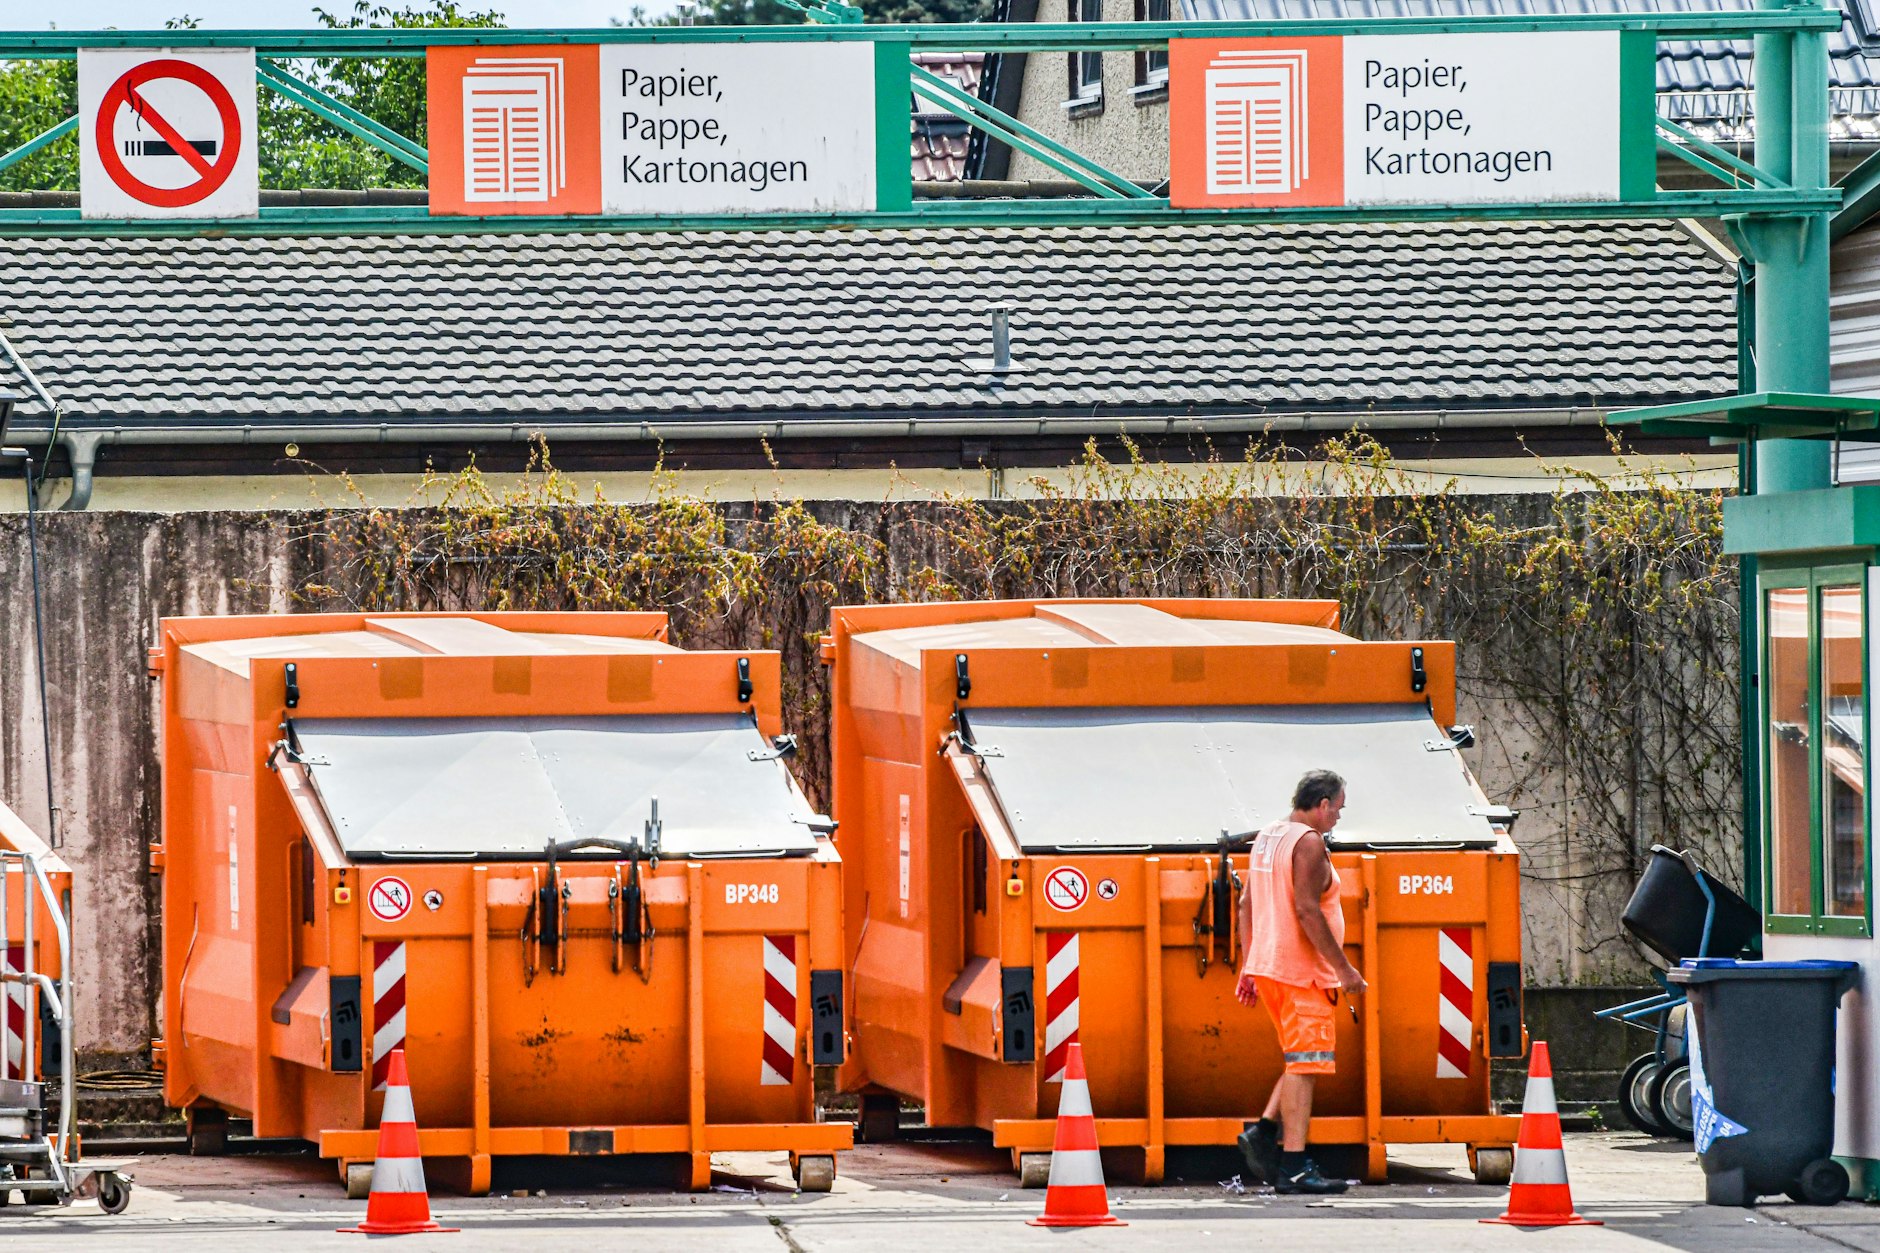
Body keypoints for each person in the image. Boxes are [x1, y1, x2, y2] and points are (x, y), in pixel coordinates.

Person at [1234, 769, 1366, 1196]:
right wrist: (1344, 970)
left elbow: (1244, 904)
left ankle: (1264, 1130)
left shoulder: (1269, 836)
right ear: (1323, 803)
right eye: (1338, 810)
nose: (1338, 819)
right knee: (1307, 1065)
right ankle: (1293, 1166)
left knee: (1298, 1059)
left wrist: (1250, 963)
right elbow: (1308, 912)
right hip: (1304, 974)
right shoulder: (1308, 844)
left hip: (1272, 968)